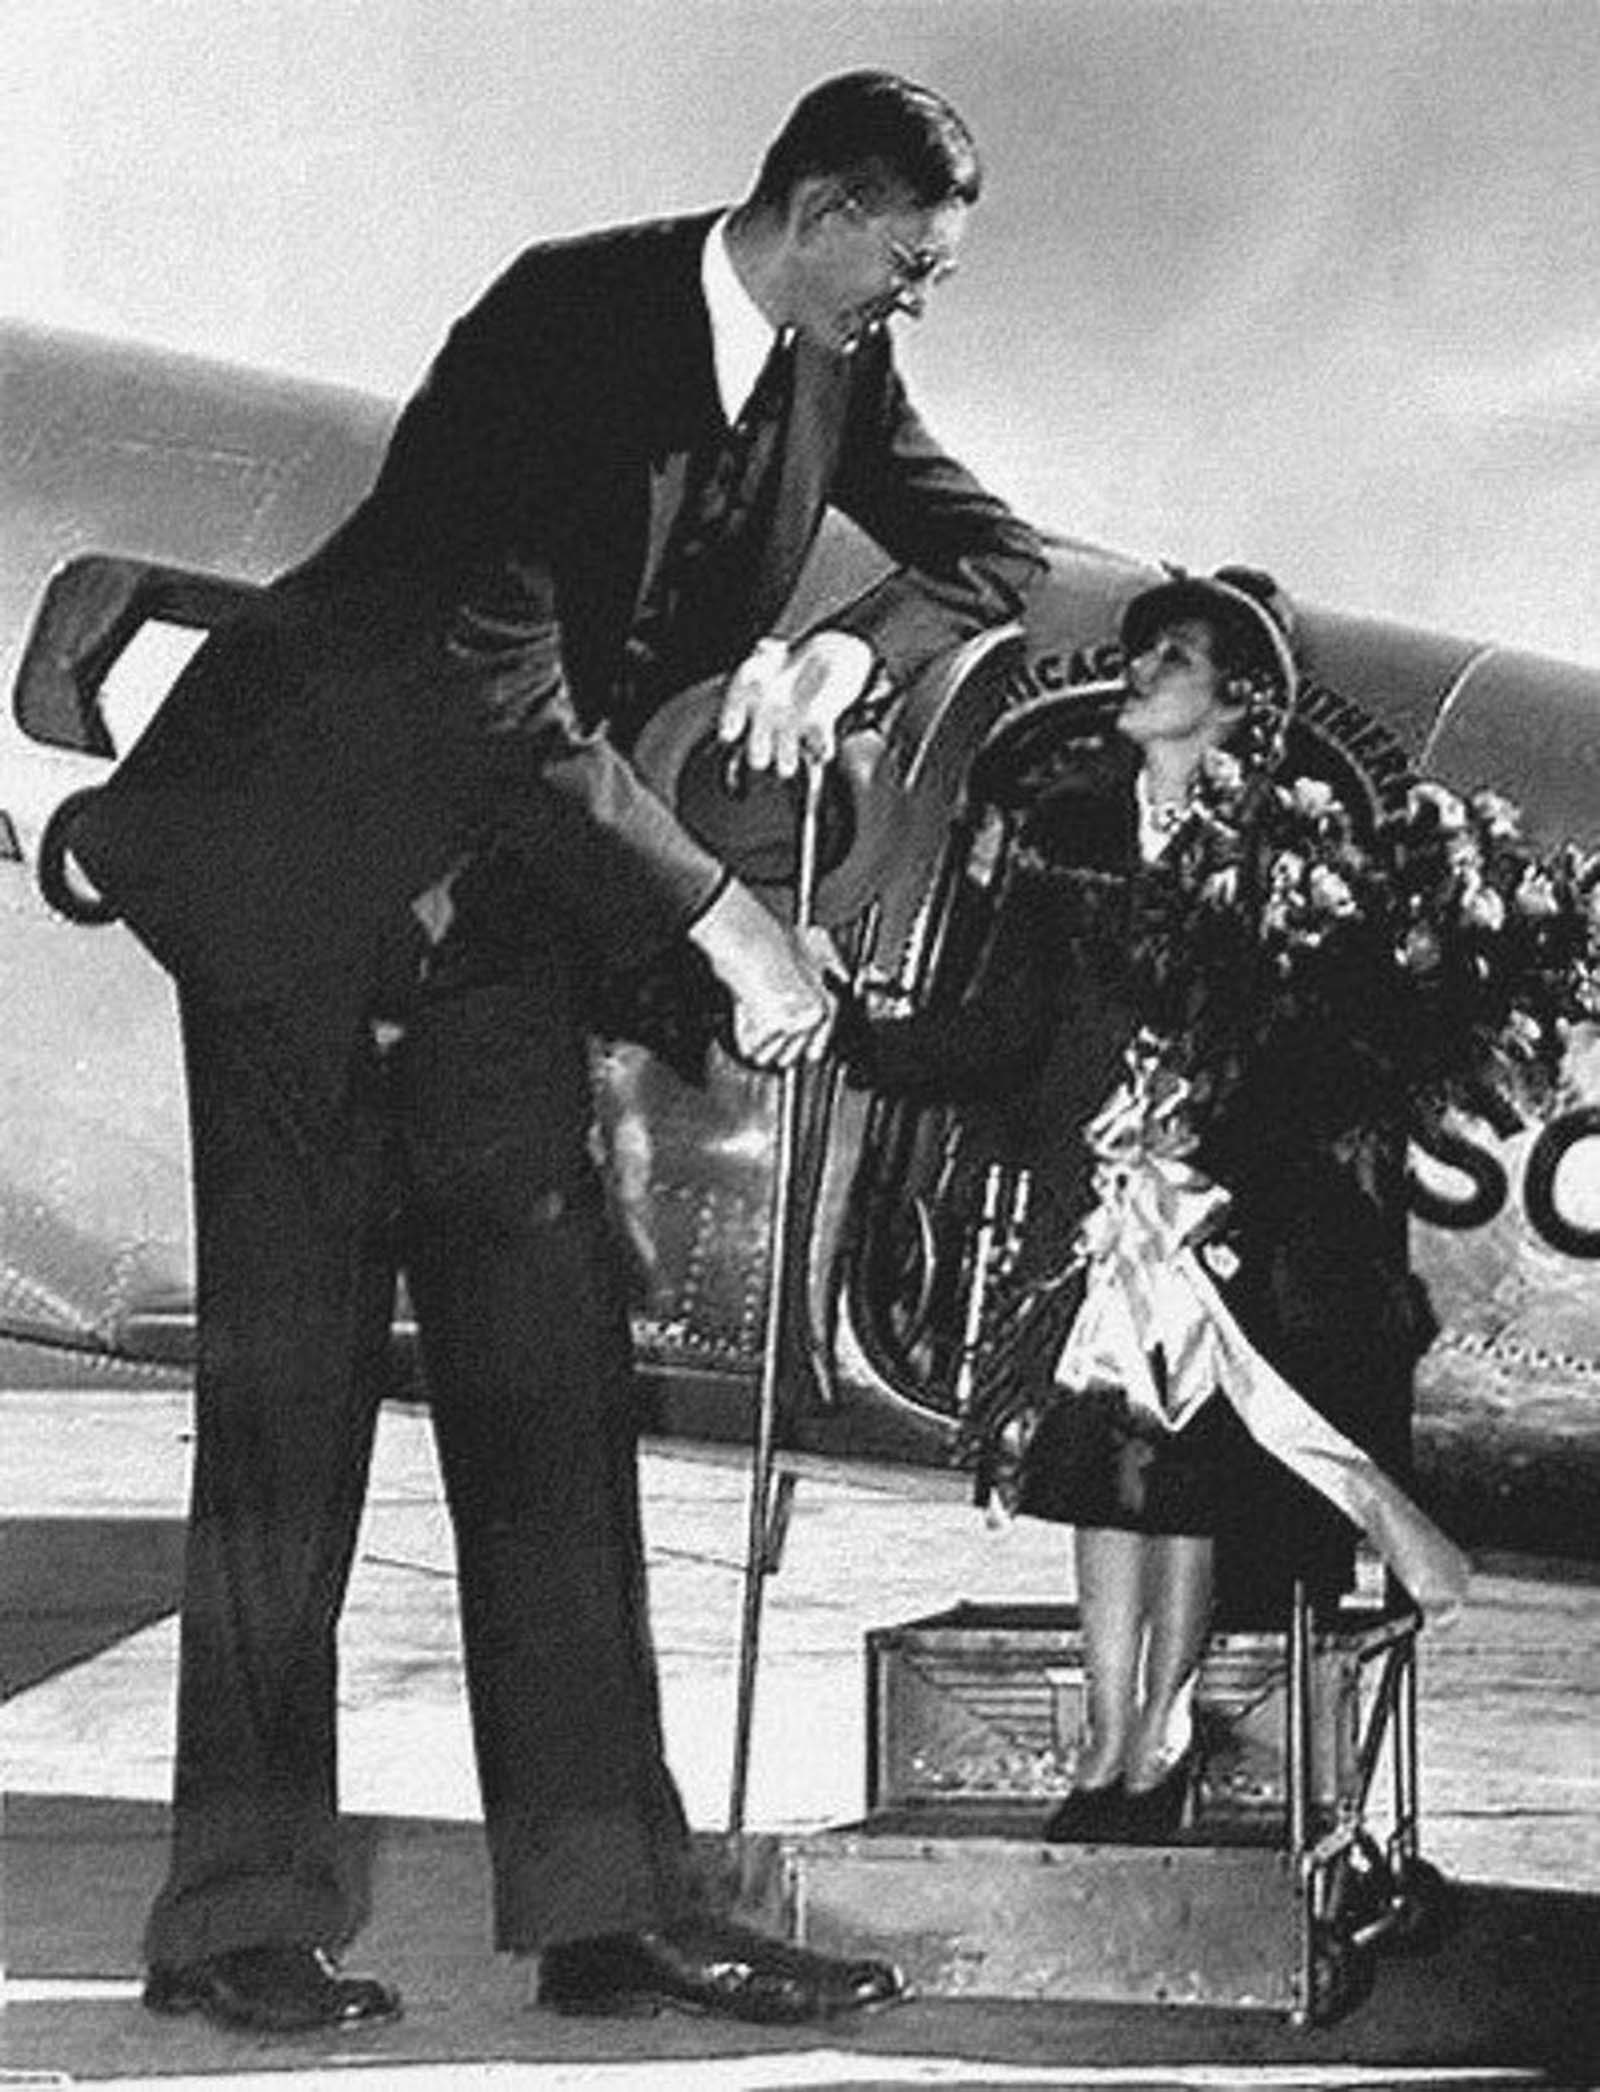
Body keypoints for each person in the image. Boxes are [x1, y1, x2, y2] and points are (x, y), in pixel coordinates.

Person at [66, 70, 1043, 2032]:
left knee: (549, 1400)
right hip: (310, 888)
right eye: (907, 271)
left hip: (500, 915)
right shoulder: (559, 336)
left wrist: (853, 639)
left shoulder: (823, 369)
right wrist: (722, 917)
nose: (912, 308)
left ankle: (607, 1911)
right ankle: (234, 1915)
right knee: (293, 1414)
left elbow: (991, 549)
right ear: (825, 209)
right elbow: (504, 685)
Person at [844, 567, 1460, 1847]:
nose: (1138, 671)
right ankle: (1112, 1729)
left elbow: (1319, 1066)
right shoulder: (1071, 834)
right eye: (1139, 651)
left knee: (1176, 1486)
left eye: (1169, 658)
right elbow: (1003, 1029)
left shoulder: (1285, 860)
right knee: (1095, 1479)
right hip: (1096, 1217)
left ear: (1236, 702)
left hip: (1210, 1219)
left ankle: (1160, 1735)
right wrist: (857, 1039)